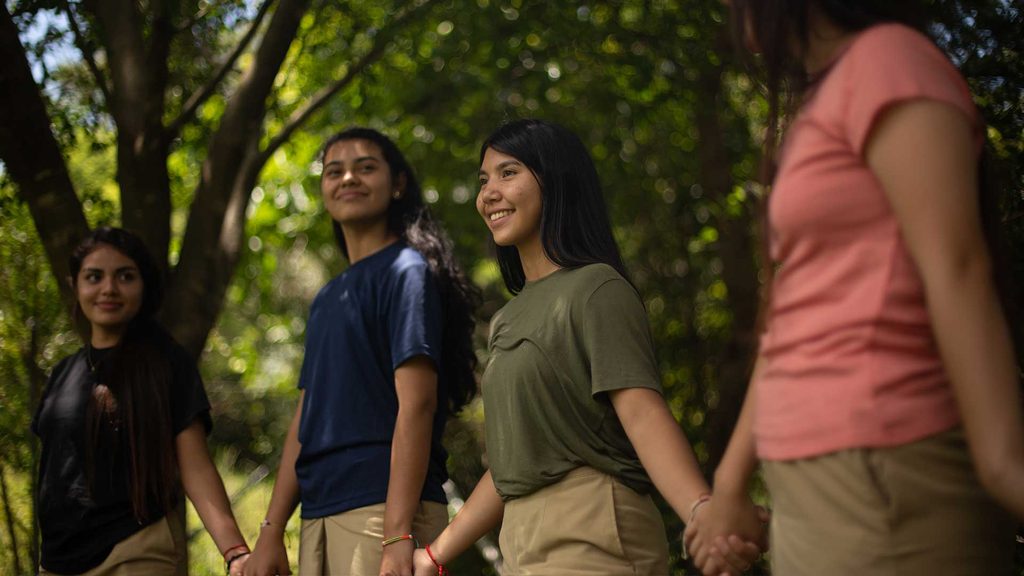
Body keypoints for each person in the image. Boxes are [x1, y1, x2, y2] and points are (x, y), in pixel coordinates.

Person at [685, 2, 1024, 574]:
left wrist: (1004, 462)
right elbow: (793, 315)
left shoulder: (889, 61)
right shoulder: (827, 99)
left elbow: (957, 268)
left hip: (885, 462)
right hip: (819, 475)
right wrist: (730, 485)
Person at [410, 119, 763, 576]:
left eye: (508, 172)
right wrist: (435, 555)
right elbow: (511, 466)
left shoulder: (596, 288)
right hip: (522, 542)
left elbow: (641, 413)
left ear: (554, 179)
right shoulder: (507, 320)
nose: (488, 193)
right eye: (484, 180)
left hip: (592, 527)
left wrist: (700, 510)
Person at [244, 127, 480, 576]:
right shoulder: (329, 297)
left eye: (365, 167)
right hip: (320, 512)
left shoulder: (406, 271)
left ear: (397, 184)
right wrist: (271, 530)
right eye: (335, 171)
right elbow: (306, 416)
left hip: (384, 512)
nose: (348, 178)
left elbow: (418, 404)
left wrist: (396, 535)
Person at [33, 226, 250, 575]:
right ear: (75, 285)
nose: (109, 289)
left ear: (144, 286)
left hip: (135, 552)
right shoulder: (63, 373)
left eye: (125, 276)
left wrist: (235, 551)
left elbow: (195, 465)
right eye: (94, 276)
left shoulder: (166, 363)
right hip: (57, 561)